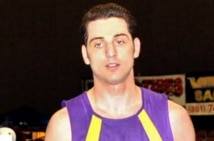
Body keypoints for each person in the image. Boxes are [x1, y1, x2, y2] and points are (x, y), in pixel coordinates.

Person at [45, 2, 195, 141]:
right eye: (98, 44)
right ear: (85, 54)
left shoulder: (173, 118)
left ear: (136, 47)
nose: (110, 52)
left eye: (120, 41)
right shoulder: (64, 126)